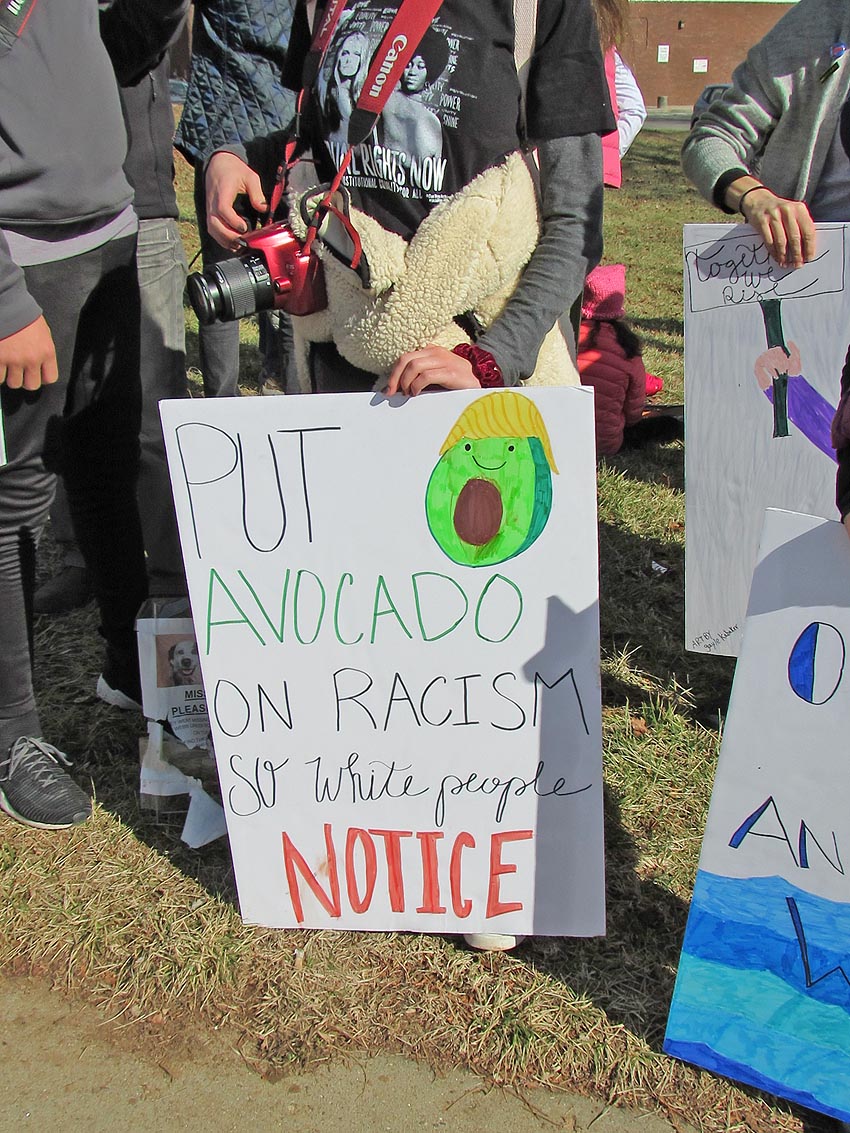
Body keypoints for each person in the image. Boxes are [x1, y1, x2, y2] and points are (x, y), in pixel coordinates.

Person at [204, 0, 614, 946]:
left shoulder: (543, 7)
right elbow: (310, 135)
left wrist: (493, 358)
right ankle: (373, 834)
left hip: (483, 357)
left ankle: (486, 856)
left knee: (482, 627)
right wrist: (243, 161)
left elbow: (573, 219)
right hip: (354, 346)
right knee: (378, 621)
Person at [0, 0, 187, 831]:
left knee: (105, 464)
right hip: (20, 262)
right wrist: (2, 302)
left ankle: (125, 659)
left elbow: (109, 48)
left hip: (106, 236)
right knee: (15, 503)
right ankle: (12, 737)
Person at [35, 37, 191, 618]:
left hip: (135, 204)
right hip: (37, 216)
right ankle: (80, 557)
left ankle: (173, 579)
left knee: (153, 421)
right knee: (57, 418)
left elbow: (150, 26)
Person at [175, 0, 298, 399]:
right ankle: (278, 393)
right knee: (287, 271)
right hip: (278, 125)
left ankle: (225, 405)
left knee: (229, 279)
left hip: (238, 125)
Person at [577, 264, 653, 455]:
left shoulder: (565, 337)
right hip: (606, 444)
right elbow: (634, 412)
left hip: (560, 437)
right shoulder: (628, 347)